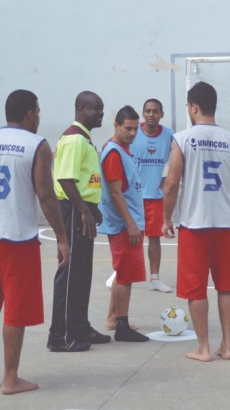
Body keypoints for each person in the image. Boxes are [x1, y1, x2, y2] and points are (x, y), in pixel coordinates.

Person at [0, 89, 71, 394]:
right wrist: (62, 239)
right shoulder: (37, 145)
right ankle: (11, 378)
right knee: (15, 306)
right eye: (38, 111)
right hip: (18, 237)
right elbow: (46, 195)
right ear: (29, 113)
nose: (39, 117)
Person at [163, 81, 230, 362]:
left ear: (194, 107)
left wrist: (166, 218)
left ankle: (203, 347)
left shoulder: (182, 138)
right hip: (225, 224)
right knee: (226, 286)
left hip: (195, 224)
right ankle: (227, 346)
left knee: (196, 288)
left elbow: (172, 183)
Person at [47, 91, 110, 352]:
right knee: (70, 272)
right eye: (96, 108)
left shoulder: (84, 138)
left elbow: (84, 180)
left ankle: (80, 327)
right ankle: (59, 336)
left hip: (82, 210)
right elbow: (65, 179)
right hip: (72, 211)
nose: (101, 114)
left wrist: (92, 208)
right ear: (80, 108)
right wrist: (83, 210)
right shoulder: (74, 139)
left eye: (102, 108)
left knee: (83, 273)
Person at [105, 99, 174, 294]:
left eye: (155, 111)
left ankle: (155, 278)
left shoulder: (169, 135)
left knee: (154, 238)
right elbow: (113, 147)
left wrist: (168, 177)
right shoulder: (132, 133)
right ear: (143, 113)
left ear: (162, 114)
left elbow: (179, 159)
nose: (151, 114)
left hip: (155, 197)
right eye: (148, 111)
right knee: (127, 239)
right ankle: (118, 273)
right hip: (133, 197)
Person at [99, 106, 151, 342]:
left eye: (134, 129)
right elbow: (116, 192)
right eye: (127, 128)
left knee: (124, 273)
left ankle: (113, 317)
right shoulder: (114, 153)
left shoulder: (123, 150)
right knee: (125, 275)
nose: (132, 133)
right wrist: (130, 224)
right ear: (116, 126)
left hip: (130, 223)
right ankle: (122, 326)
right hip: (123, 226)